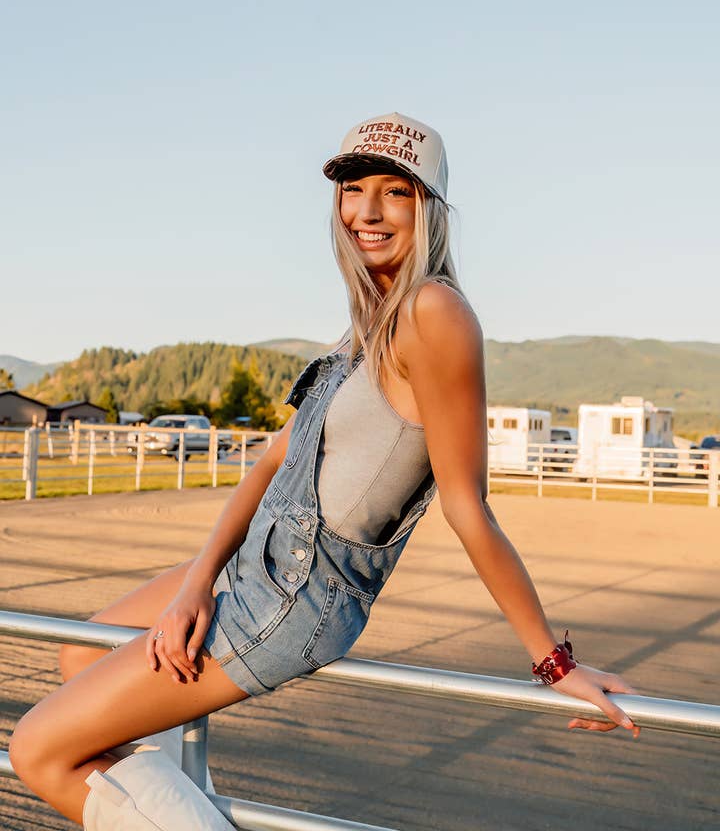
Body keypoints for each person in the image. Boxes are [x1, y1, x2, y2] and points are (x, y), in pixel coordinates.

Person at [9, 111, 640, 829]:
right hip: (251, 565)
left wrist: (553, 662)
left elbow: (468, 505)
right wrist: (195, 583)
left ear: (431, 209)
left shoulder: (435, 313)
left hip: (298, 594)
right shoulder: (366, 324)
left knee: (39, 749)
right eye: (352, 189)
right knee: (79, 653)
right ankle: (185, 811)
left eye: (395, 192)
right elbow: (274, 460)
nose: (368, 211)